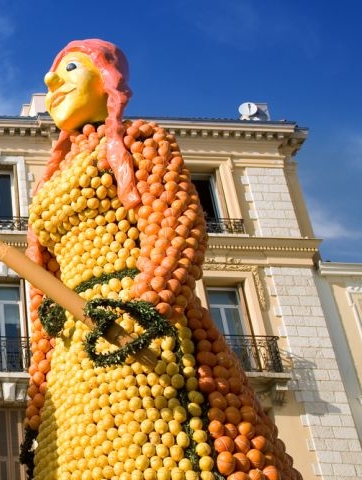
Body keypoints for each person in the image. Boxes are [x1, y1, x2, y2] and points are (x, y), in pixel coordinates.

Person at [21, 38, 300, 480]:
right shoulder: (53, 179)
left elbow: (176, 227)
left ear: (107, 79)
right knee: (75, 458)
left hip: (132, 318)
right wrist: (39, 392)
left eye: (70, 68)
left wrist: (146, 310)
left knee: (159, 443)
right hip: (73, 343)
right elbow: (41, 283)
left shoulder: (140, 141)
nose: (51, 79)